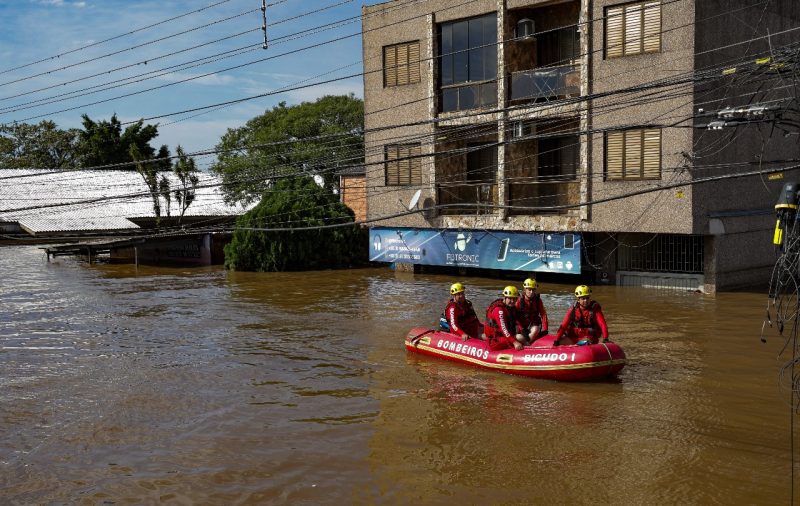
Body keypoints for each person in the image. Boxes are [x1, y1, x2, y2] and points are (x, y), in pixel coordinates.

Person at [484, 286, 525, 351]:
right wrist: (515, 342)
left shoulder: (511, 308)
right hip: (495, 340)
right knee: (519, 338)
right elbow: (504, 329)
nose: (512, 301)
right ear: (505, 297)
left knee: (521, 337)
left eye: (515, 299)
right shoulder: (498, 310)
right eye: (510, 298)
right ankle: (528, 349)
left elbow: (517, 321)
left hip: (503, 335)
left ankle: (528, 345)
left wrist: (522, 330)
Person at [516, 278, 548, 344]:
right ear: (525, 290)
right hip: (521, 326)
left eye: (533, 290)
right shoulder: (519, 301)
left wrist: (545, 329)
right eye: (529, 289)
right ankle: (524, 343)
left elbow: (543, 315)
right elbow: (515, 317)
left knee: (536, 329)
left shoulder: (538, 300)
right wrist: (522, 329)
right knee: (517, 335)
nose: (531, 292)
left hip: (533, 325)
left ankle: (526, 343)